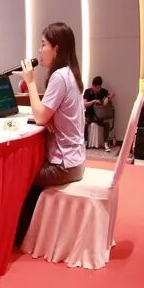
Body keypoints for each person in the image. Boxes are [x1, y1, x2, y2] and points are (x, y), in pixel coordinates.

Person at [16, 22, 88, 242]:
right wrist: (49, 118)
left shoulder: (59, 77)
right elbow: (46, 115)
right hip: (75, 159)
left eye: (43, 44)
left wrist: (30, 82)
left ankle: (18, 236)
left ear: (56, 49)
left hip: (64, 164)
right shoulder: (69, 74)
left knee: (16, 175)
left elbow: (39, 116)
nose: (39, 50)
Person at [83, 76, 114, 152]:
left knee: (107, 124)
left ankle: (105, 143)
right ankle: (85, 141)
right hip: (89, 114)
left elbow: (113, 94)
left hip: (100, 115)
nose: (98, 89)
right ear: (93, 86)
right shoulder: (87, 91)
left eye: (99, 87)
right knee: (84, 123)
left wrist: (107, 98)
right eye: (97, 88)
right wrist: (93, 101)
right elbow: (84, 104)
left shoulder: (102, 91)